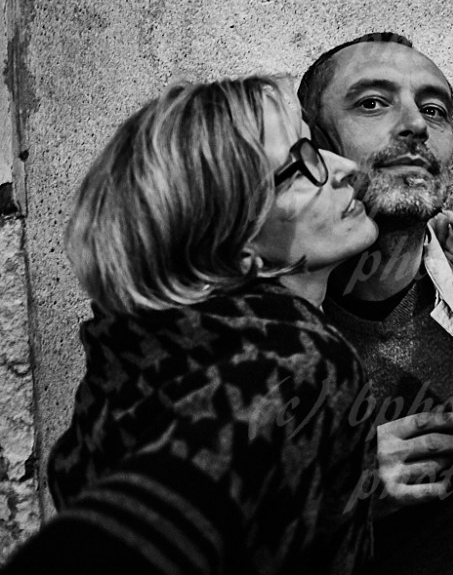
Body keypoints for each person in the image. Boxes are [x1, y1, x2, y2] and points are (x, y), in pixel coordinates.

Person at [1, 76, 377, 574]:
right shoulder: (293, 362)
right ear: (234, 240)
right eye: (301, 163)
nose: (345, 168)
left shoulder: (133, 364)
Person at [297, 32, 453, 574]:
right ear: (311, 142)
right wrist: (328, 496)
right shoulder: (241, 337)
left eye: (434, 110)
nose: (415, 124)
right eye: (372, 103)